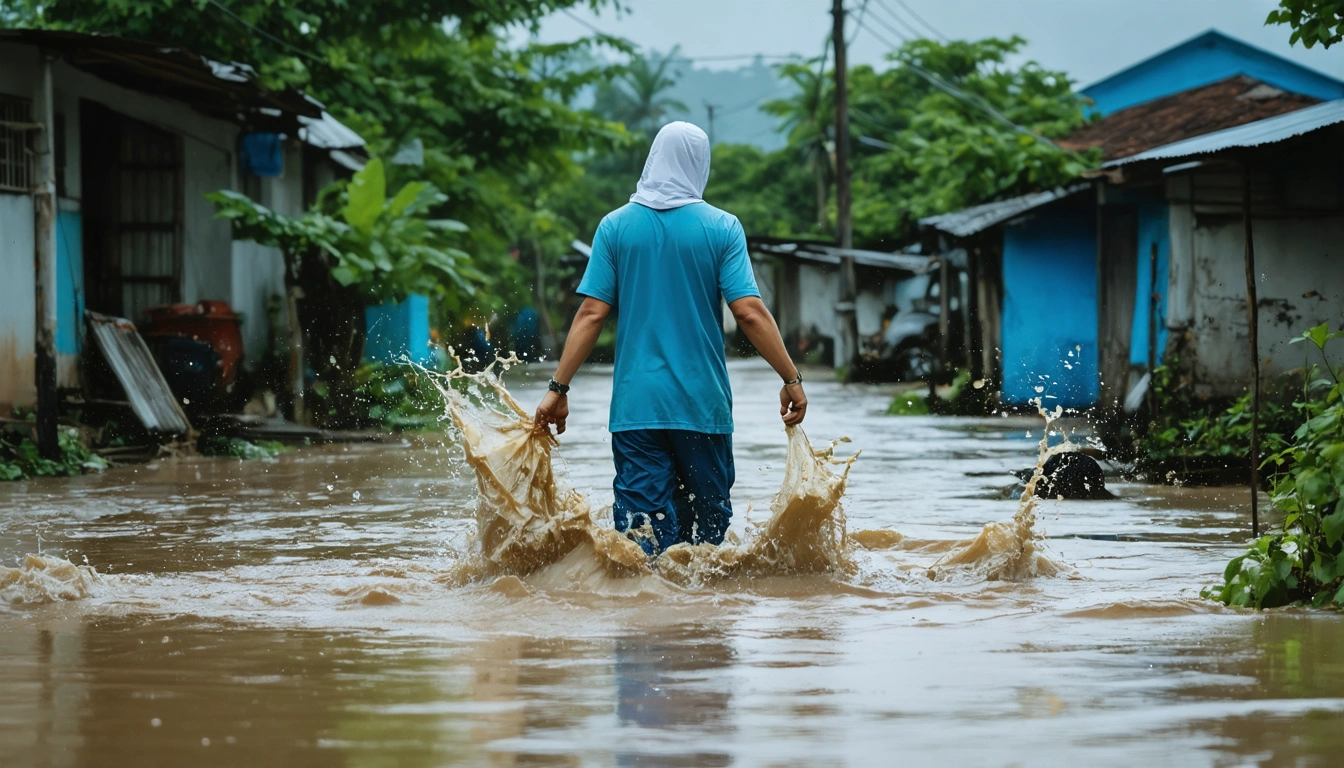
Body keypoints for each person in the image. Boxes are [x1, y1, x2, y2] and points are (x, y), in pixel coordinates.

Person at [533, 121, 806, 556]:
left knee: (643, 541)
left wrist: (557, 389)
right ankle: (699, 624)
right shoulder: (723, 228)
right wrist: (791, 378)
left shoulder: (615, 227)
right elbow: (749, 313)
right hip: (702, 407)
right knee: (707, 543)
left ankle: (649, 621)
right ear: (701, 164)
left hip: (637, 408)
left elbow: (591, 313)